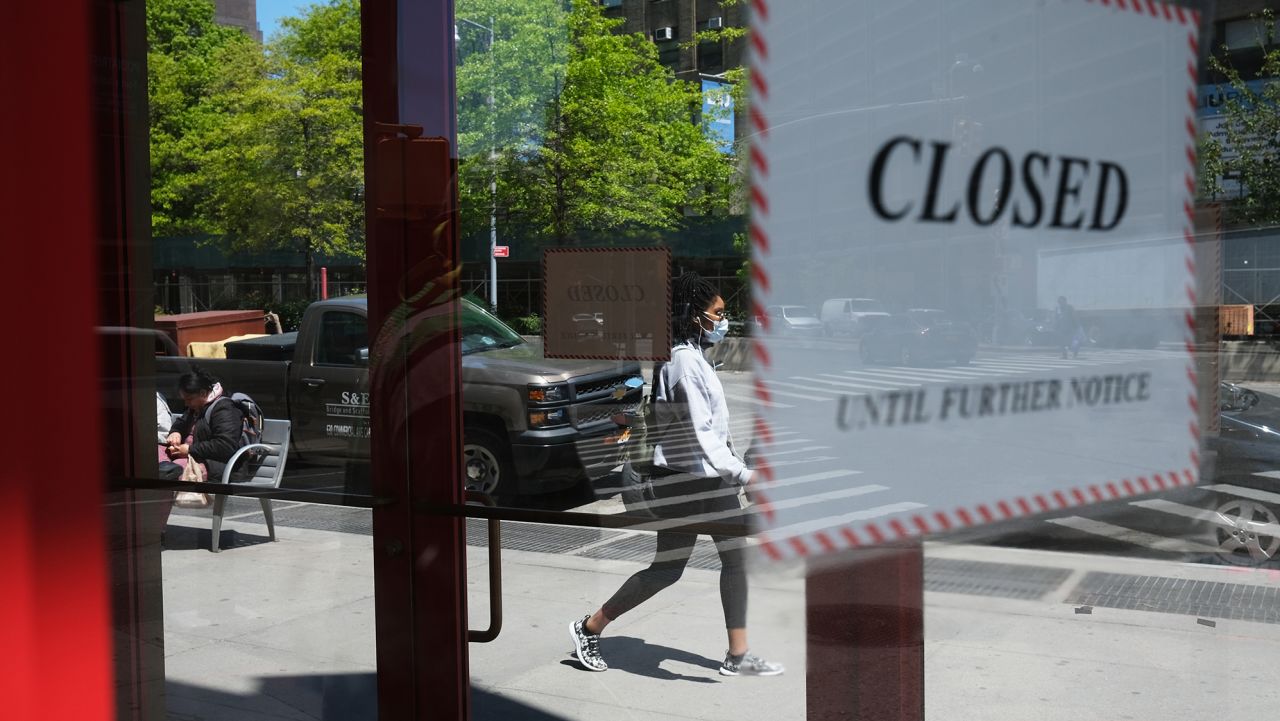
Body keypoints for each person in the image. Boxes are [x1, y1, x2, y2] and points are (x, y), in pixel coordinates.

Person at [568, 272, 784, 677]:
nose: (724, 320)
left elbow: (713, 433)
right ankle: (589, 626)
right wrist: (745, 476)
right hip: (686, 481)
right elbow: (700, 434)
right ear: (694, 315)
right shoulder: (683, 362)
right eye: (717, 313)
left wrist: (736, 471)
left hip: (709, 479)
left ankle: (737, 655)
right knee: (668, 569)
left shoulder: (693, 356)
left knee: (735, 560)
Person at [162, 367, 245, 482]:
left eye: (189, 399)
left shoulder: (224, 409)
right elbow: (181, 422)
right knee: (153, 458)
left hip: (213, 464)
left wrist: (190, 449)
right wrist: (175, 432)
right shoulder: (196, 406)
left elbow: (225, 446)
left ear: (203, 393)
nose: (186, 403)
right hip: (188, 455)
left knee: (171, 473)